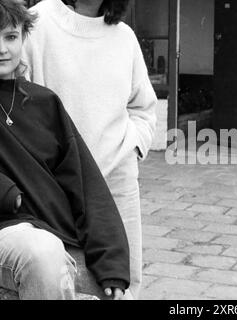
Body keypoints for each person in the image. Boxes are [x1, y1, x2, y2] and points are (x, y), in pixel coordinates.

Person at [23, 0, 158, 299]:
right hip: (56, 182)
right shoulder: (40, 21)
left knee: (125, 283)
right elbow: (19, 98)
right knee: (68, 280)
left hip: (116, 181)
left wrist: (131, 147)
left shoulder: (124, 37)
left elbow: (144, 108)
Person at [0, 0, 130, 300]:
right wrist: (8, 194)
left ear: (22, 39)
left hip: (56, 234)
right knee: (42, 254)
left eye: (11, 36)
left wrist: (111, 262)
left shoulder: (44, 102)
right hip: (15, 235)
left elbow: (86, 184)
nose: (3, 48)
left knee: (118, 292)